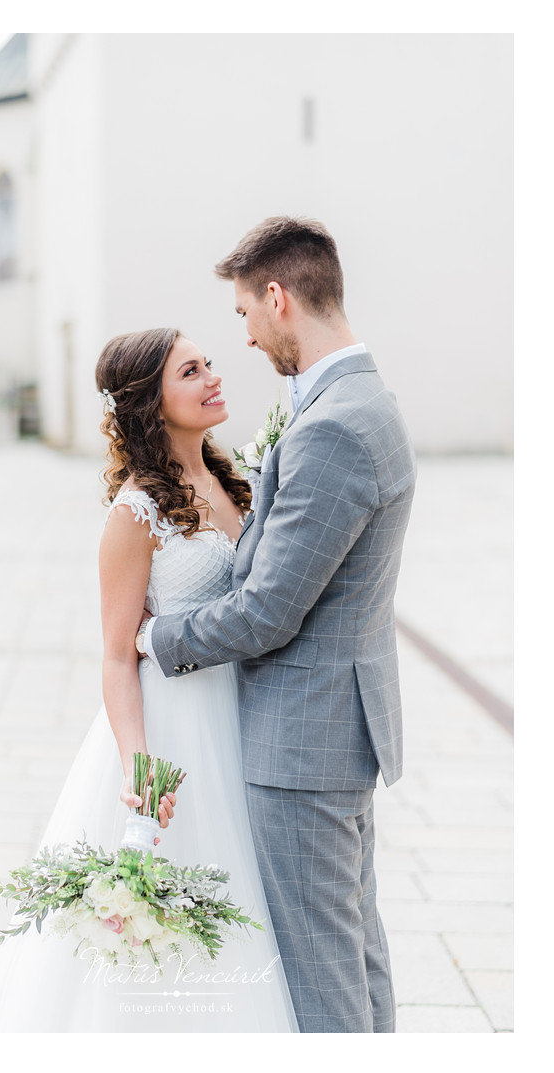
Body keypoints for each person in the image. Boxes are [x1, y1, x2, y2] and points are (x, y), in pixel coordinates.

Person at [0, 326, 299, 1033]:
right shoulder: (135, 513)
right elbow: (118, 654)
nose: (213, 376)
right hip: (174, 726)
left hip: (241, 720)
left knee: (244, 890)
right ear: (151, 402)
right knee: (174, 905)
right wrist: (136, 761)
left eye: (208, 363)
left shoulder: (233, 477)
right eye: (191, 371)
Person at [139, 217, 416, 1033]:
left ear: (276, 296)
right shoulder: (363, 400)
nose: (248, 338)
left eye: (243, 316)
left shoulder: (332, 426)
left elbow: (265, 612)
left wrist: (157, 638)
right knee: (356, 955)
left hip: (304, 742)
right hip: (337, 728)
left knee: (321, 977)